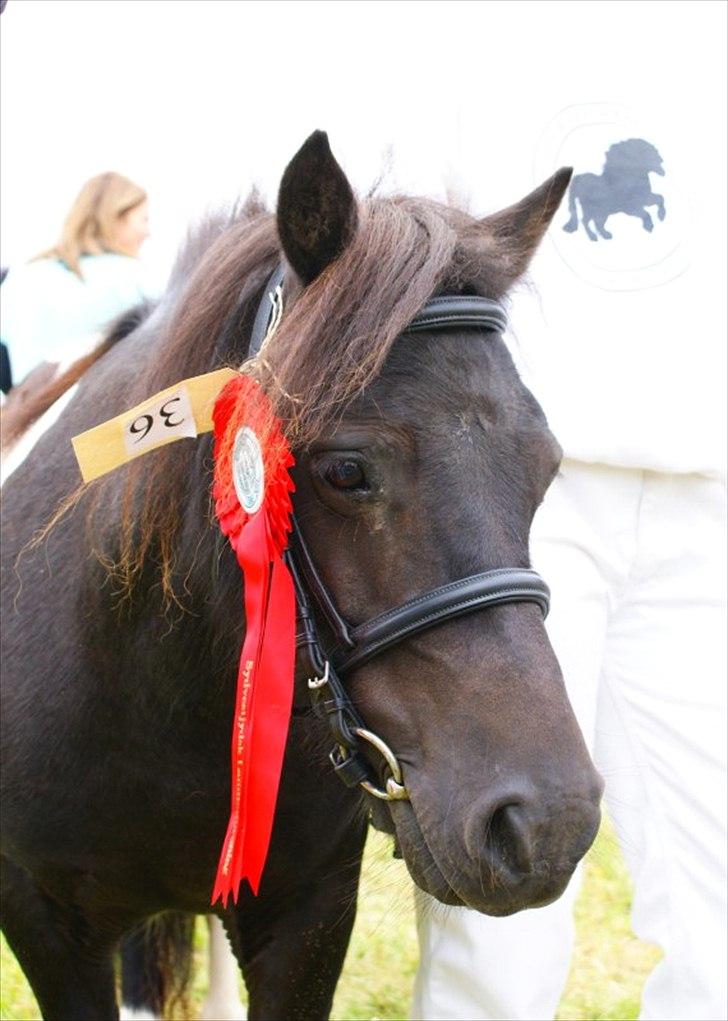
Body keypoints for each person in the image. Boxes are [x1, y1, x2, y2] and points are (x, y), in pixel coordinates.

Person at [409, 5, 727, 1020]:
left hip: (703, 483)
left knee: (717, 863)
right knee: (501, 868)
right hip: (524, 493)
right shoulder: (474, 43)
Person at [0, 171, 153, 387]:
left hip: (28, 415)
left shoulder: (22, 277)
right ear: (117, 218)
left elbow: (3, 370)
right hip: (112, 414)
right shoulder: (138, 279)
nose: (148, 232)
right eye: (143, 219)